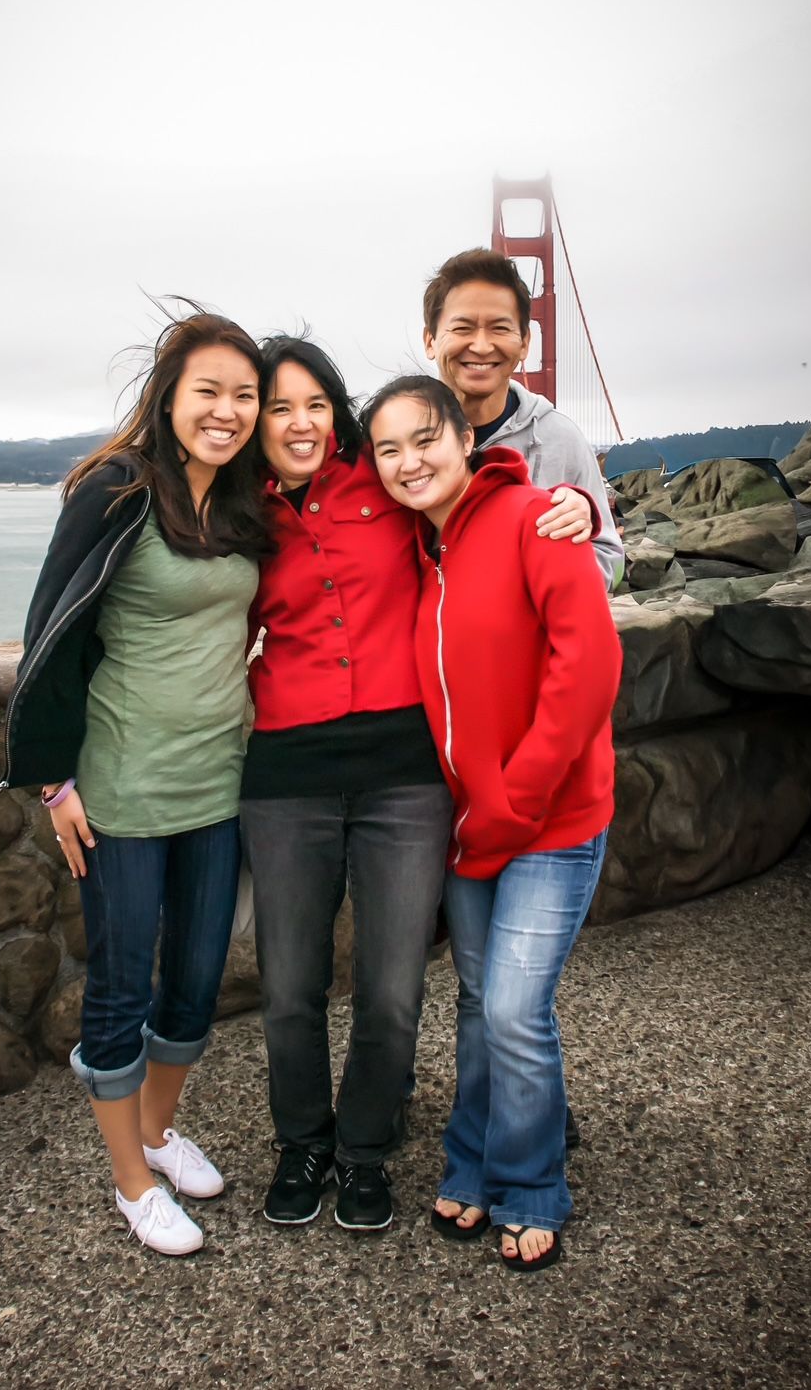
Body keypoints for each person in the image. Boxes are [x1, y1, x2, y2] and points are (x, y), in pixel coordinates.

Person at [239, 335, 597, 1233]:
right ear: (255, 422)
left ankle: (365, 1149)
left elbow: (475, 488)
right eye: (278, 407)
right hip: (287, 773)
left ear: (337, 415)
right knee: (290, 986)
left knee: (395, 987)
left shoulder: (380, 478)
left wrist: (581, 502)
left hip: (404, 774)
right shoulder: (238, 515)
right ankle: (303, 1143)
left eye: (315, 404)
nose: (299, 423)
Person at [0, 311, 271, 1256]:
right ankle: (131, 1183)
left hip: (218, 781)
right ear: (168, 396)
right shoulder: (117, 491)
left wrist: (576, 507)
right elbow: (50, 630)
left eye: (246, 395)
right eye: (209, 391)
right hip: (122, 787)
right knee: (121, 988)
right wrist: (52, 783)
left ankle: (157, 1132)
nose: (228, 411)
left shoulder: (244, 501)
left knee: (195, 982)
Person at [365, 374, 621, 1273]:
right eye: (388, 449)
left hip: (551, 822)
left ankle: (531, 1183)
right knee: (480, 1004)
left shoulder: (537, 518)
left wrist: (520, 794)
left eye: (424, 439)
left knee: (513, 1007)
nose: (409, 462)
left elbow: (590, 664)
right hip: (472, 830)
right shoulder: (419, 549)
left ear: (466, 438)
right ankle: (470, 1160)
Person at [422, 247, 624, 590]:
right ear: (430, 340)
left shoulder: (561, 439)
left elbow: (609, 560)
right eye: (463, 328)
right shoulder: (394, 441)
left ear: (525, 342)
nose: (482, 346)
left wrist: (571, 540)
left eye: (500, 328)